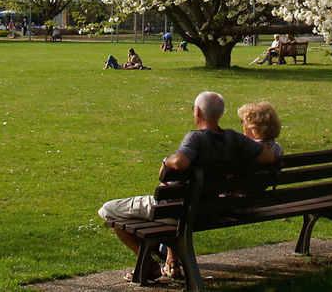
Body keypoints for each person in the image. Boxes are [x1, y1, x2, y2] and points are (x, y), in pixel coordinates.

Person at [98, 92, 275, 281]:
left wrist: (167, 161)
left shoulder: (196, 139)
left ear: (197, 112)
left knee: (108, 210)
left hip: (174, 210)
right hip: (208, 209)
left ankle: (149, 264)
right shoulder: (233, 138)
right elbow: (269, 157)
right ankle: (163, 260)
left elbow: (181, 162)